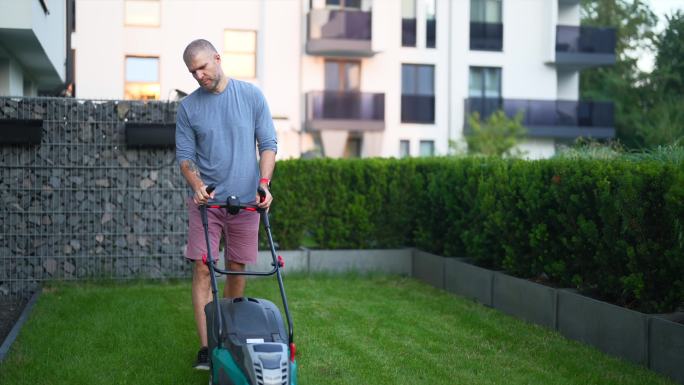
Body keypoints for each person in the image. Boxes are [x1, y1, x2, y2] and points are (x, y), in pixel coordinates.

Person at [175, 39, 277, 370]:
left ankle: (230, 337)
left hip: (247, 202)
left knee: (236, 267)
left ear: (218, 58)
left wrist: (264, 185)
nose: (199, 75)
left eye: (203, 67)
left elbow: (268, 144)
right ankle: (206, 348)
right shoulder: (189, 108)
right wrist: (197, 185)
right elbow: (186, 158)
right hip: (208, 204)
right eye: (193, 72)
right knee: (203, 267)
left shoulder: (251, 96)